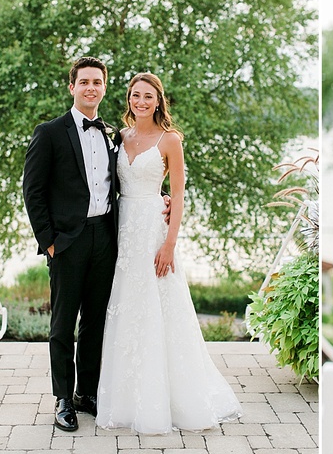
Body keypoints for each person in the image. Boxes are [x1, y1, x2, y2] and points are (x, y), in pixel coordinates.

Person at [95, 72, 242, 434]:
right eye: (135, 95)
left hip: (154, 232)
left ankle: (169, 400)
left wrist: (169, 243)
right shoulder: (121, 136)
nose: (140, 101)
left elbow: (177, 196)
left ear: (159, 101)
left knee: (159, 309)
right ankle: (126, 399)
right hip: (124, 231)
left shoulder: (170, 140)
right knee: (127, 308)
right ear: (128, 98)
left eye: (148, 96)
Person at [23, 57, 123, 432]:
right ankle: (63, 398)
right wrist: (48, 241)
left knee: (95, 322)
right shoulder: (49, 132)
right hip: (66, 242)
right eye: (84, 82)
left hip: (105, 238)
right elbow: (32, 191)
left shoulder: (111, 133)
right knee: (63, 322)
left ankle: (87, 393)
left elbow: (121, 183)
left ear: (104, 87)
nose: (91, 88)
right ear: (72, 87)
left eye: (97, 82)